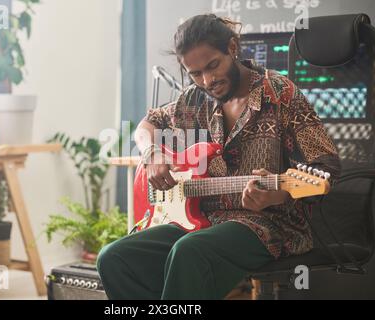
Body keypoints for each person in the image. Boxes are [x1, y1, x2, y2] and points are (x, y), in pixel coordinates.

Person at [97, 14, 341, 300]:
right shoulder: (193, 100)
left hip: (268, 225)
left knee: (191, 251)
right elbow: (147, 124)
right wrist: (152, 153)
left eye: (213, 66)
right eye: (195, 73)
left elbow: (327, 165)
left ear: (233, 48)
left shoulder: (280, 94)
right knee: (114, 257)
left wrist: (277, 196)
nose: (207, 80)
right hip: (201, 219)